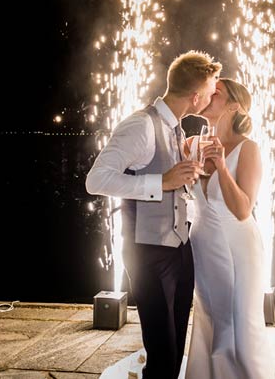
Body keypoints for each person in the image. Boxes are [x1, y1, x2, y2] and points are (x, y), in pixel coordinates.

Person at [86, 51, 222, 379]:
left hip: (179, 247)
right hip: (148, 252)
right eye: (211, 89)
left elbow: (172, 179)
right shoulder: (141, 126)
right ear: (195, 96)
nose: (213, 94)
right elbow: (96, 180)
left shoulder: (174, 127)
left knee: (175, 346)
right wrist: (162, 182)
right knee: (162, 351)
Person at [185, 78, 271, 379]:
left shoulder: (248, 149)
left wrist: (221, 165)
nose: (208, 94)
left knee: (239, 323)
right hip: (202, 246)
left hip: (239, 248)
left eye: (216, 93)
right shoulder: (191, 144)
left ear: (234, 106)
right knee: (208, 319)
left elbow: (243, 210)